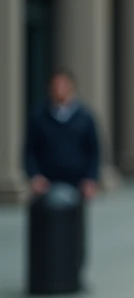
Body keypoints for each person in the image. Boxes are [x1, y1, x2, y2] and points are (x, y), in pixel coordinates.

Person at [24, 69, 101, 202]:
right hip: (47, 183)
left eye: (64, 85)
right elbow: (30, 149)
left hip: (77, 183)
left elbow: (94, 150)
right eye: (56, 85)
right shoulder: (38, 116)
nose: (60, 89)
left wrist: (91, 179)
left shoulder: (85, 117)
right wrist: (35, 175)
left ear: (72, 88)